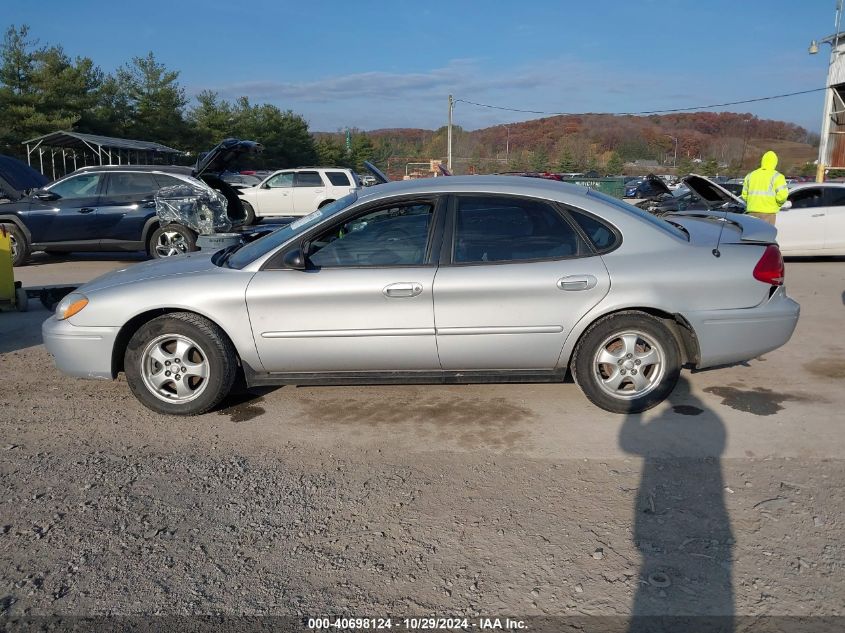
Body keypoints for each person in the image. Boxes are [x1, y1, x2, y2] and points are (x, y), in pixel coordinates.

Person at [740, 150, 788, 225]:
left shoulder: (750, 175)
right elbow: (782, 196)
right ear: (775, 162)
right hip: (768, 214)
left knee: (752, 236)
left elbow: (744, 196)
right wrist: (778, 204)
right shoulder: (778, 176)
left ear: (763, 161)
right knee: (766, 236)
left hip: (751, 213)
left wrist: (753, 203)